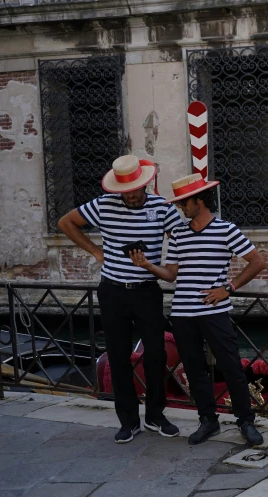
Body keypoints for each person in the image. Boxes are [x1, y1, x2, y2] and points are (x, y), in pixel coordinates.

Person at [130, 174, 266, 446]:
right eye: (179, 203)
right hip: (182, 313)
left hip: (214, 311)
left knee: (231, 366)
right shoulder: (179, 233)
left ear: (199, 200)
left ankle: (245, 421)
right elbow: (171, 275)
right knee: (194, 369)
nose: (181, 207)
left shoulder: (226, 229)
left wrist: (228, 288)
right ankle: (208, 420)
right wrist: (147, 266)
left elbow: (257, 261)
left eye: (184, 202)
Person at [58, 155, 183, 443]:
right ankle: (128, 421)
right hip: (113, 291)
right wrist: (95, 251)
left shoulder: (161, 207)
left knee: (156, 353)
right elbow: (66, 222)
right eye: (127, 190)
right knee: (118, 355)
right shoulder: (103, 204)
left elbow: (181, 237)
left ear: (145, 183)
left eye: (136, 188)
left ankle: (155, 415)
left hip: (147, 290)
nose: (132, 194)